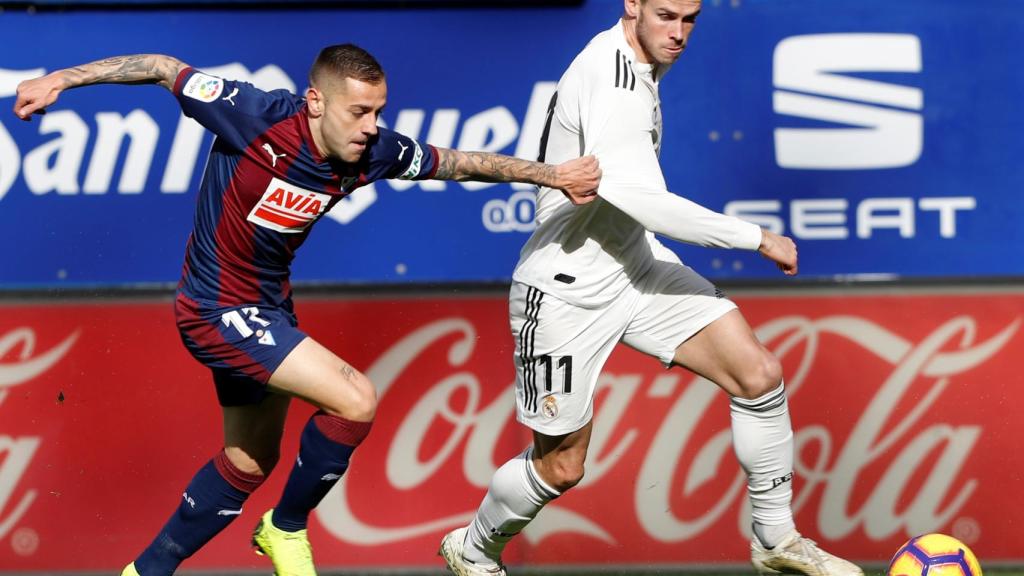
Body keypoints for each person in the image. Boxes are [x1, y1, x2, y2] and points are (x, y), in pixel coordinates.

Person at [14, 45, 600, 576]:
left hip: (267, 309)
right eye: (359, 112)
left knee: (248, 462)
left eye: (379, 112)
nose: (372, 128)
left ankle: (146, 571)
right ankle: (286, 526)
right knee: (355, 398)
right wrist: (60, 80)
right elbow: (163, 68)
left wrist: (551, 175)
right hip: (214, 307)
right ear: (316, 102)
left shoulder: (373, 151)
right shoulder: (256, 115)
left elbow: (457, 163)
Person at [438, 2, 863, 576]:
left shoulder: (641, 66)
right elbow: (644, 202)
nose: (679, 33)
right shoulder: (611, 78)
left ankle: (775, 537)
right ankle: (473, 548)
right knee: (561, 466)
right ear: (631, 4)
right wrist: (754, 237)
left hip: (634, 267)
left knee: (757, 374)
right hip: (565, 290)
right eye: (666, 15)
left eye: (691, 19)